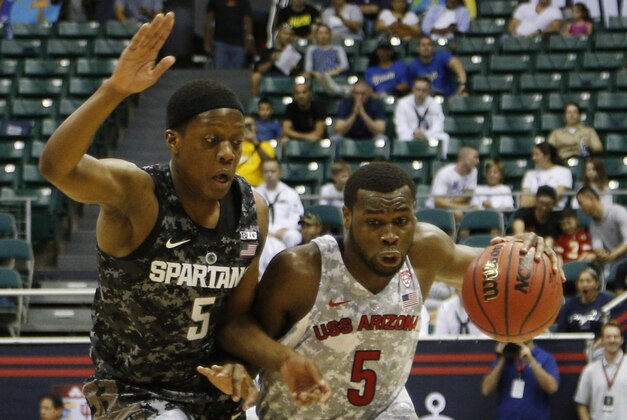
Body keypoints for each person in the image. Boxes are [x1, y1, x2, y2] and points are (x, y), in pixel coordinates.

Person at [199, 161, 560, 418]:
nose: (390, 235)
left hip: (385, 409)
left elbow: (499, 268)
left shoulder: (427, 250)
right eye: (375, 222)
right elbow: (238, 328)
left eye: (401, 221)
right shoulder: (301, 269)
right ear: (347, 218)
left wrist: (527, 251)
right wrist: (265, 363)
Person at [38, 14, 263, 418]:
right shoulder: (137, 193)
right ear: (173, 141)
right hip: (130, 392)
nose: (228, 153)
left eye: (236, 140)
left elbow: (239, 316)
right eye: (211, 141)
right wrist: (113, 90)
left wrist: (239, 366)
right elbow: (58, 168)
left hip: (209, 392)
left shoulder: (252, 209)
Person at [481, 340, 560, 420]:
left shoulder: (545, 357)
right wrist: (502, 359)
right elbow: (486, 390)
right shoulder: (504, 358)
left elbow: (552, 388)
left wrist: (531, 361)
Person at [255, 159, 304, 274]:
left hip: (284, 231)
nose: (269, 174)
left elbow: (297, 216)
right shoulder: (256, 193)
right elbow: (253, 217)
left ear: (280, 172)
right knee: (264, 244)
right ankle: (261, 277)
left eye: (273, 171)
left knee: (294, 236)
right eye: (266, 171)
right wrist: (267, 232)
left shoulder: (290, 193)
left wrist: (282, 231)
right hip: (264, 232)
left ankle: (290, 271)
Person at [576, 186, 627, 290]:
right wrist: (601, 254)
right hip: (613, 263)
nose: (580, 208)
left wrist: (611, 256)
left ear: (590, 198)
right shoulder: (593, 225)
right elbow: (597, 246)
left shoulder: (618, 212)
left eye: (581, 203)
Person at [574, 320, 627, 420]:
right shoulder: (590, 370)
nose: (612, 340)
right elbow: (581, 404)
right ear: (602, 340)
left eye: (616, 336)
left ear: (622, 340)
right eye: (608, 337)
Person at [425, 146, 479, 223]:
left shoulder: (473, 171)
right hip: (435, 208)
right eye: (475, 157)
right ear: (464, 158)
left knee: (475, 212)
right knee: (458, 214)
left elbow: (467, 195)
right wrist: (464, 207)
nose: (478, 161)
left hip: (452, 205)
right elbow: (438, 202)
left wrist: (455, 204)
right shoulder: (445, 174)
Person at [394, 77, 449, 150]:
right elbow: (400, 126)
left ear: (429, 91)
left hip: (428, 135)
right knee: (401, 138)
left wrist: (425, 134)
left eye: (424, 90)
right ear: (413, 89)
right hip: (409, 135)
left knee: (444, 137)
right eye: (418, 90)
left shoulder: (435, 104)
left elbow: (438, 126)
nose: (420, 93)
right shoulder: (403, 103)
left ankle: (442, 160)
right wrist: (413, 133)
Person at [250, 24, 302, 97]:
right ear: (278, 35)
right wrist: (272, 61)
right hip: (270, 76)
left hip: (289, 79)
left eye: (290, 35)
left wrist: (295, 69)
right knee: (255, 76)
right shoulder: (266, 52)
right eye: (285, 33)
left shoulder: (297, 54)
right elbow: (258, 70)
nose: (287, 37)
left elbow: (301, 72)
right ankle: (255, 101)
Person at [557, 267, 613, 334]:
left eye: (588, 281)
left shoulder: (607, 301)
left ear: (597, 284)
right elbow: (561, 331)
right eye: (581, 281)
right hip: (574, 343)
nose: (584, 284)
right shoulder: (569, 305)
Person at [521, 142, 573, 210]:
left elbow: (557, 197)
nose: (533, 158)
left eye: (537, 155)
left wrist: (534, 199)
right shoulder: (529, 174)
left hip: (556, 211)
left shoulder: (564, 172)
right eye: (533, 155)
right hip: (532, 213)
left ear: (547, 156)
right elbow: (524, 202)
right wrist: (545, 199)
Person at [204, 0, 255, 69]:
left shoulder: (244, 2)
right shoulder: (215, 1)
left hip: (239, 44)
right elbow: (209, 21)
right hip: (220, 42)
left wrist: (249, 39)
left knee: (237, 73)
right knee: (220, 72)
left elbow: (247, 22)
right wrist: (207, 41)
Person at [237, 116, 276, 187]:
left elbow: (270, 164)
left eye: (250, 125)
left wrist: (256, 144)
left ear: (256, 127)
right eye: (245, 126)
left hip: (256, 186)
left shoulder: (265, 145)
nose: (247, 128)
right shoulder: (235, 144)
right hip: (236, 186)